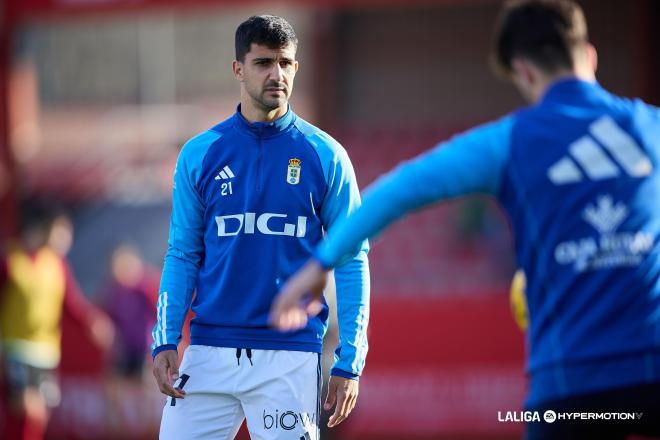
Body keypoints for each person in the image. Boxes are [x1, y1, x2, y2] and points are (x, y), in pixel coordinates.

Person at [271, 1, 660, 439]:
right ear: (590, 55)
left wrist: (319, 262)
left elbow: (399, 191)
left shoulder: (508, 142)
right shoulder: (651, 127)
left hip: (569, 382)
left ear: (524, 73)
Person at [151, 15, 370, 440]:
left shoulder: (326, 155)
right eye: (263, 62)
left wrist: (350, 360)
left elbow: (352, 257)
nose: (277, 74)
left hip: (289, 359)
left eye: (286, 63)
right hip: (207, 354)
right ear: (238, 69)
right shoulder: (200, 154)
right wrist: (165, 339)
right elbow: (182, 253)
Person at [0, 200, 114, 440]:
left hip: (45, 351)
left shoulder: (57, 265)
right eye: (62, 231)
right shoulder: (12, 259)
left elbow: (71, 302)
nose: (66, 239)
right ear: (44, 228)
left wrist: (92, 322)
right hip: (15, 348)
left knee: (40, 414)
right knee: (24, 409)